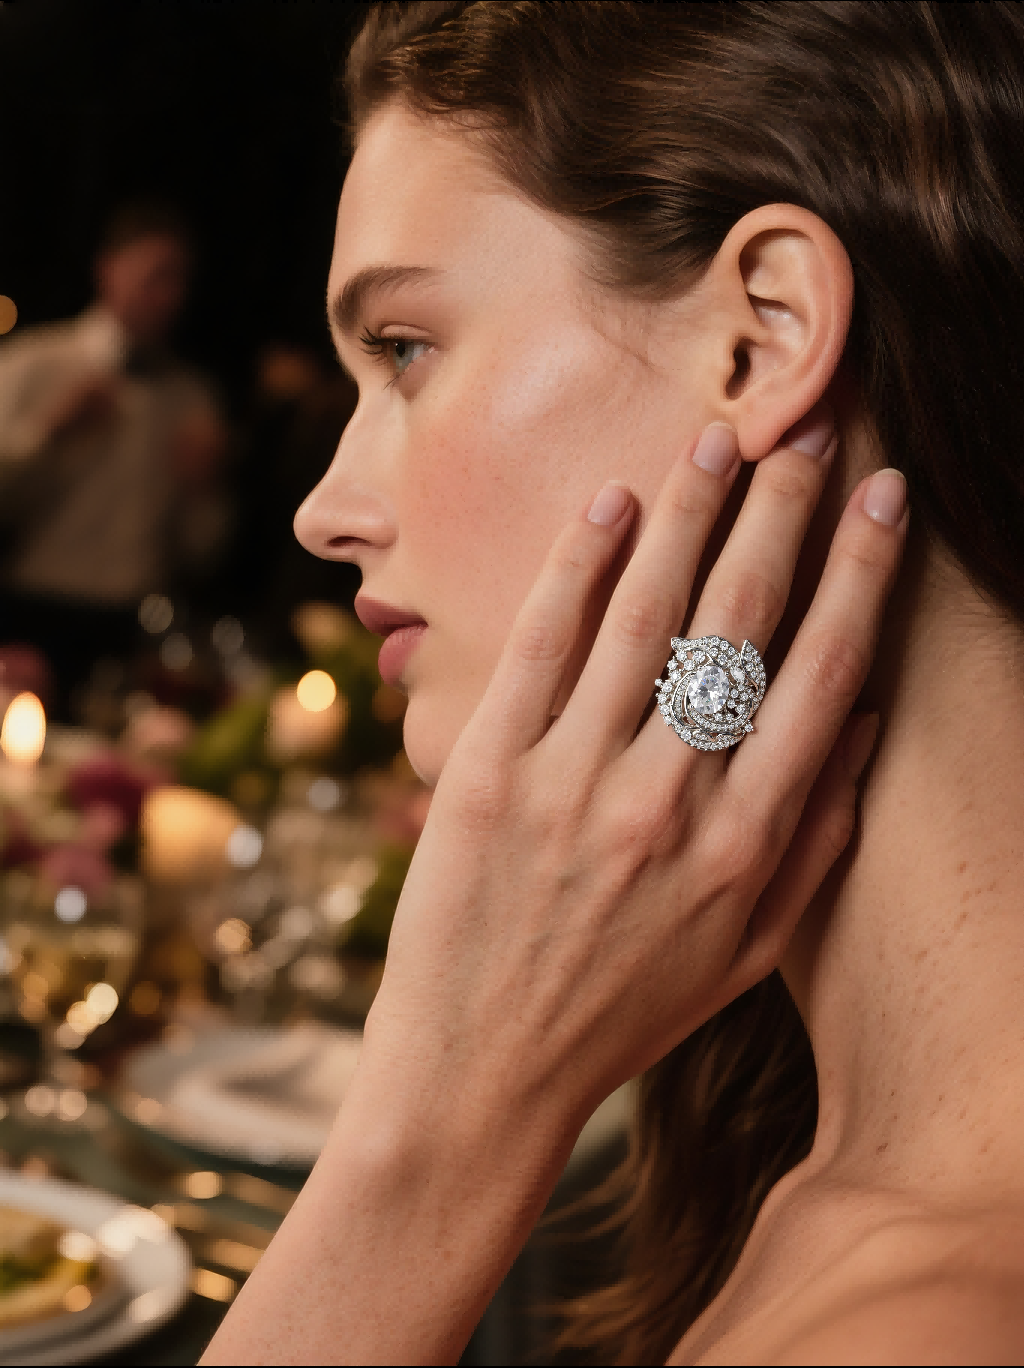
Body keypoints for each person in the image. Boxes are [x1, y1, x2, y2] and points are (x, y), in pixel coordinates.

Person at [203, 3, 1024, 1363]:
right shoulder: (819, 1160)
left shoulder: (928, 1319)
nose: (327, 509)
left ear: (761, 337)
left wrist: (444, 1128)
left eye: (406, 349)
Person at [0, 201, 227, 718]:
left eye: (178, 282)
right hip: (31, 613)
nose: (167, 296)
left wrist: (203, 489)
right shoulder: (32, 364)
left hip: (132, 629)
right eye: (155, 276)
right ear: (107, 268)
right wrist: (46, 435)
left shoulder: (192, 399)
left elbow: (202, 551)